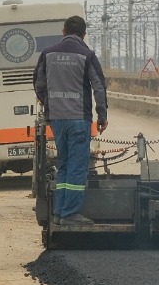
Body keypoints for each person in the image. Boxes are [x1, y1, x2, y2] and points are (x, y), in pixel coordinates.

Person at [33, 15, 108, 226]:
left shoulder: (47, 54)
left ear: (63, 32)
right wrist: (102, 115)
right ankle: (70, 213)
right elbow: (99, 87)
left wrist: (49, 104)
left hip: (57, 119)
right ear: (84, 34)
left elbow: (38, 84)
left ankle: (59, 212)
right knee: (77, 166)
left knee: (63, 164)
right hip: (78, 119)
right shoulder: (87, 55)